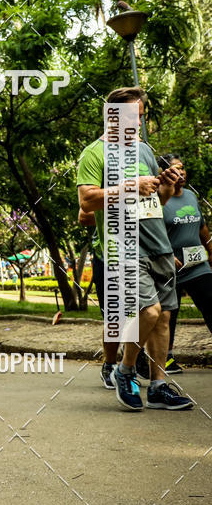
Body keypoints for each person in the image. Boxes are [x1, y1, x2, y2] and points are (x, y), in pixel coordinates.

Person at [77, 87, 192, 412]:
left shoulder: (143, 149)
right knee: (149, 312)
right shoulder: (94, 153)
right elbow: (87, 200)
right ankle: (125, 369)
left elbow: (157, 200)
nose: (138, 124)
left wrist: (167, 185)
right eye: (132, 117)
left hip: (158, 246)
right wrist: (131, 186)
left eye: (140, 117)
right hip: (124, 248)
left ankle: (157, 386)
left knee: (164, 317)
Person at [158, 153, 212, 373]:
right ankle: (166, 357)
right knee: (170, 312)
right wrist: (167, 254)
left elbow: (201, 227)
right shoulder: (158, 200)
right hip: (171, 268)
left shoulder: (190, 196)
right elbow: (153, 231)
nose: (180, 173)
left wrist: (210, 250)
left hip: (198, 265)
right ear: (163, 173)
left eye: (182, 168)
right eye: (174, 169)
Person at [78, 209, 119, 387]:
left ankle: (135, 359)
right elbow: (83, 216)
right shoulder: (103, 187)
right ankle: (109, 364)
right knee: (114, 316)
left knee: (145, 311)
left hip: (140, 255)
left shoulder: (148, 182)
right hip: (107, 258)